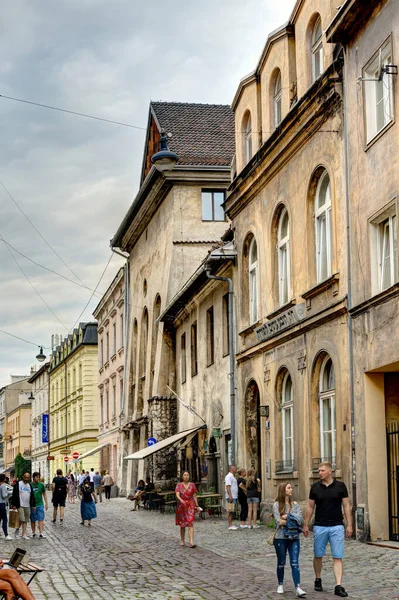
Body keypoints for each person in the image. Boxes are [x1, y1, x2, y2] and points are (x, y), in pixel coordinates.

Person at [303, 462, 352, 598]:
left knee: (338, 556)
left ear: (330, 471)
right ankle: (318, 578)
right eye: (319, 470)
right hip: (320, 526)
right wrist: (306, 524)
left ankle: (338, 585)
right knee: (318, 555)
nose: (319, 473)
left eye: (322, 470)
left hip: (337, 525)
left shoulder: (340, 486)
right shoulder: (315, 487)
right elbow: (310, 507)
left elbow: (346, 505)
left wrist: (349, 525)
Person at [273, 482, 306, 597]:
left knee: (295, 563)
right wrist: (293, 520)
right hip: (280, 537)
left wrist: (288, 517)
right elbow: (279, 521)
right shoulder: (277, 505)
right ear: (283, 490)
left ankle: (298, 587)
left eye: (291, 487)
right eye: (289, 488)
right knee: (281, 562)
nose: (291, 489)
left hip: (294, 537)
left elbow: (300, 520)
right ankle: (280, 584)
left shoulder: (295, 504)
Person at [175, 471, 200, 548]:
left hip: (190, 505)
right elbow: (177, 494)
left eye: (187, 475)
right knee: (182, 524)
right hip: (182, 506)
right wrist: (181, 500)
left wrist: (197, 505)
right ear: (182, 477)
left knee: (190, 522)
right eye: (185, 475)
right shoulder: (179, 485)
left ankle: (191, 542)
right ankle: (182, 540)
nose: (186, 476)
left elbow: (194, 495)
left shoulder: (192, 485)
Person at [11, 472, 36, 539]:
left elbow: (32, 496)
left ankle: (23, 534)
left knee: (26, 520)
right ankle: (18, 530)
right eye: (25, 477)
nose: (27, 479)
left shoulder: (29, 485)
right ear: (23, 477)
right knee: (22, 519)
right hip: (20, 505)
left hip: (27, 505)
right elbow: (14, 495)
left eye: (28, 478)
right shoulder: (18, 484)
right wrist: (14, 505)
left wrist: (33, 505)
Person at [30, 472, 48, 539]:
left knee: (41, 519)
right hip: (32, 505)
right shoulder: (30, 485)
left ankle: (41, 533)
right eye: (37, 477)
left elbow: (44, 494)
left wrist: (46, 503)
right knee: (33, 519)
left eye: (39, 477)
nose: (38, 478)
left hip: (40, 504)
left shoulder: (41, 485)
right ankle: (33, 532)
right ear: (33, 477)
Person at [225, 465, 238, 530]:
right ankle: (230, 525)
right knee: (230, 510)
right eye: (235, 468)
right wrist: (230, 496)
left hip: (233, 496)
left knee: (232, 511)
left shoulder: (232, 476)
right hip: (231, 496)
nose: (236, 469)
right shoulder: (228, 476)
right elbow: (228, 486)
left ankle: (231, 524)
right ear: (232, 469)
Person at [0, 474, 13, 540]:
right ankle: (6, 535)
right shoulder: (3, 486)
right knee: (5, 519)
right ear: (3, 479)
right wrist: (8, 493)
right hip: (2, 504)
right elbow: (4, 495)